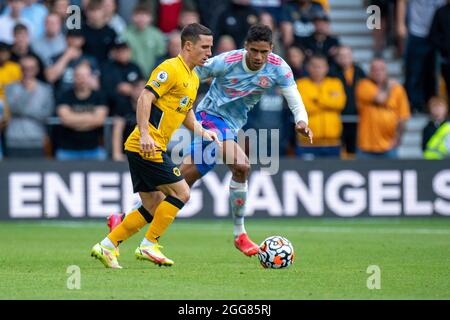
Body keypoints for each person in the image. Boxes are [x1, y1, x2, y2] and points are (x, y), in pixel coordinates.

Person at [107, 24, 313, 257]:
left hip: (232, 126)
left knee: (180, 184)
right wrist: (162, 102)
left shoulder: (279, 68)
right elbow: (188, 74)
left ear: (271, 49)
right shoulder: (226, 61)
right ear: (246, 47)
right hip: (209, 118)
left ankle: (123, 219)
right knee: (241, 165)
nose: (258, 57)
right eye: (254, 50)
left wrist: (301, 121)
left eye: (263, 52)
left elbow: (294, 97)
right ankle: (240, 234)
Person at [91, 23, 218, 269]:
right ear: (188, 46)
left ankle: (107, 245)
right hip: (145, 145)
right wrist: (146, 134)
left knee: (151, 204)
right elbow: (144, 97)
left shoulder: (192, 77)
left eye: (211, 47)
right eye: (205, 47)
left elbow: (185, 112)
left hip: (146, 147)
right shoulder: (170, 68)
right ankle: (149, 244)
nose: (209, 52)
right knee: (181, 193)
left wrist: (203, 131)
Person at [355, 58, 411, 158]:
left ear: (386, 71)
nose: (378, 72)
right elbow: (381, 99)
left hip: (389, 146)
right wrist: (389, 87)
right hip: (366, 146)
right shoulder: (364, 85)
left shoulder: (398, 89)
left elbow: (403, 117)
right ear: (370, 72)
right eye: (375, 70)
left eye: (381, 69)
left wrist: (398, 138)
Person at [55, 61, 108, 160]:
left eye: (85, 76)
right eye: (79, 76)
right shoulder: (64, 95)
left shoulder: (99, 96)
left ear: (91, 77)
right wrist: (90, 118)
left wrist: (74, 119)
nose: (82, 79)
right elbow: (65, 119)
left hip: (94, 150)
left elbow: (99, 120)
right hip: (67, 151)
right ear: (74, 77)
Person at [295, 54, 345, 158]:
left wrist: (316, 99)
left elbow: (340, 103)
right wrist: (329, 100)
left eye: (321, 66)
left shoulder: (335, 83)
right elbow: (304, 108)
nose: (317, 69)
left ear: (326, 68)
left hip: (333, 143)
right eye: (314, 66)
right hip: (307, 143)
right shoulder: (300, 84)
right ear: (308, 67)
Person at [331, 46, 366, 158]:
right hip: (338, 117)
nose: (344, 58)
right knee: (339, 146)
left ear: (351, 57)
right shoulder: (332, 72)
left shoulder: (359, 71)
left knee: (354, 146)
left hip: (356, 116)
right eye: (341, 56)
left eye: (347, 55)